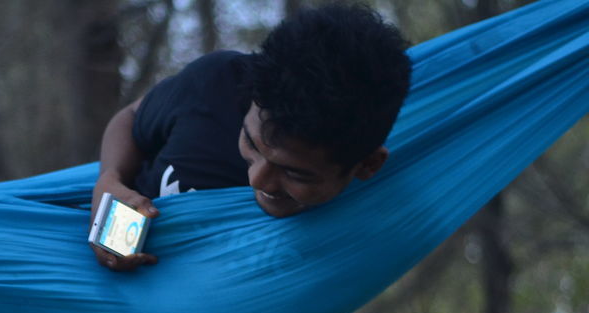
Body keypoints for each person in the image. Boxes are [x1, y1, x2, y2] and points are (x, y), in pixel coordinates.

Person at [91, 2, 412, 271]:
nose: (259, 179)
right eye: (251, 142)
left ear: (368, 166)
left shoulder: (369, 229)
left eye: (294, 172)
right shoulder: (215, 87)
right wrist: (110, 180)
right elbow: (131, 118)